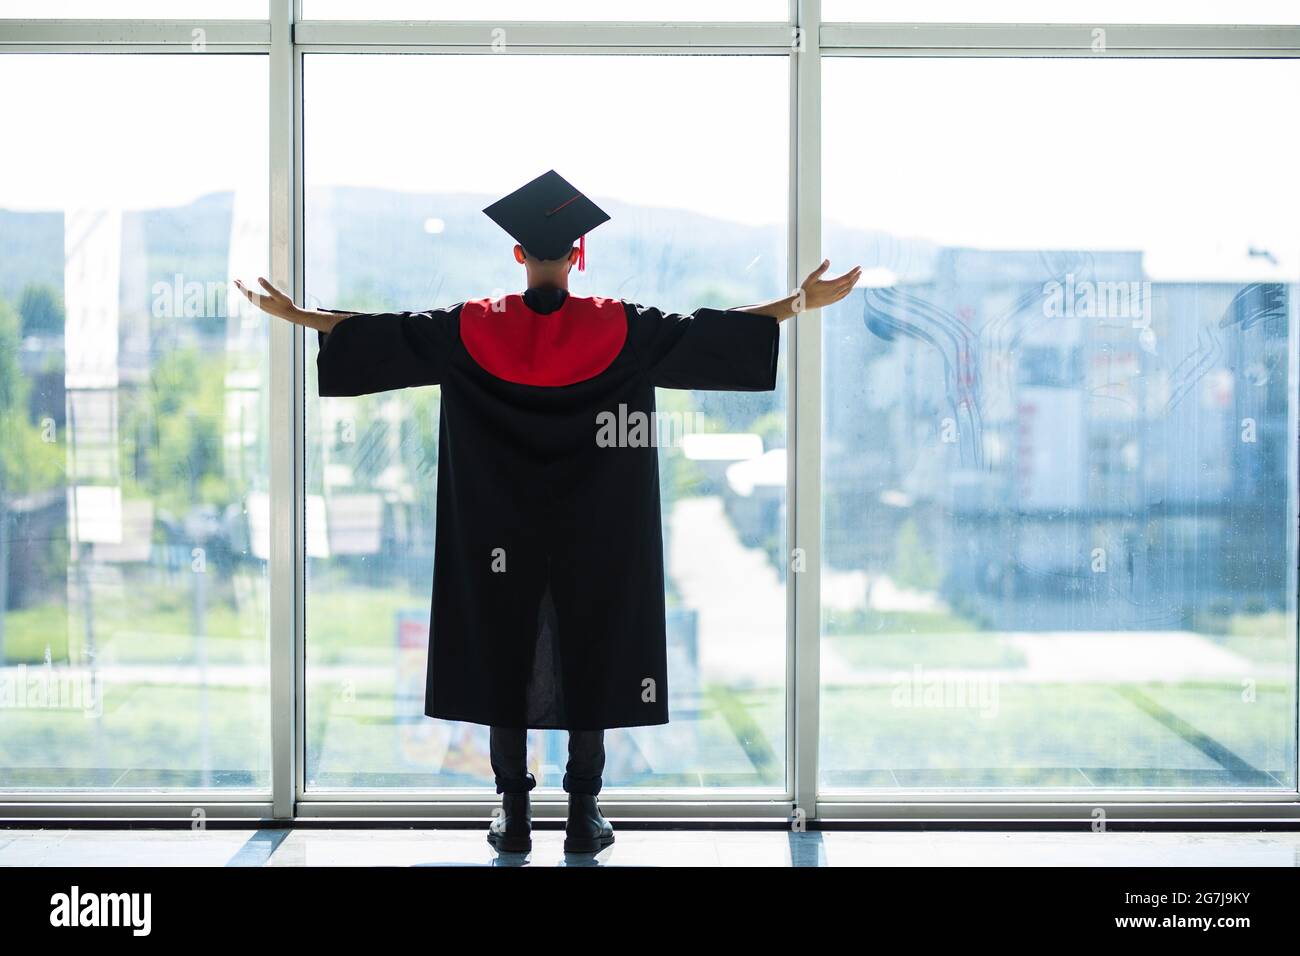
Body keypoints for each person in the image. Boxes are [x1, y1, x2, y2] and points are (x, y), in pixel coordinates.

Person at [237, 169, 860, 854]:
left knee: (504, 647)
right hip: (597, 526)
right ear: (577, 257)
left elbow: (384, 333)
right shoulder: (621, 327)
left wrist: (298, 316)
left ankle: (512, 814)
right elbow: (712, 332)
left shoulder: (473, 326)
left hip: (496, 524)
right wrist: (800, 301)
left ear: (519, 257)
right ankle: (583, 815)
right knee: (589, 647)